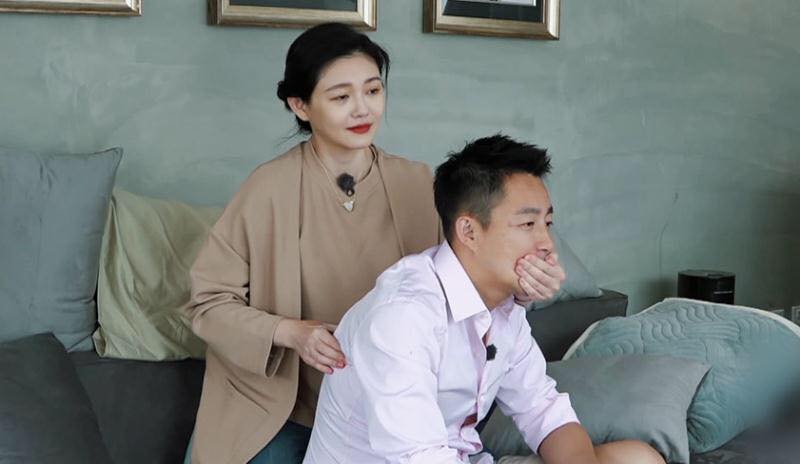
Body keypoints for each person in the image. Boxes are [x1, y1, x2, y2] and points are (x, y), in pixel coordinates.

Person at [183, 24, 562, 464]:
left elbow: (468, 280)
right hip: (279, 407)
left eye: (373, 90)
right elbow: (207, 304)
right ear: (300, 105)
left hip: (391, 406)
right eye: (341, 97)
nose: (362, 109)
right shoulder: (268, 188)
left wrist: (522, 290)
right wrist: (291, 332)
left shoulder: (416, 182)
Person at [303, 135, 666, 464]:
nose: (546, 244)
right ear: (469, 232)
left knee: (637, 458)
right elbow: (422, 457)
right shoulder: (403, 315)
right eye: (527, 225)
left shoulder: (504, 308)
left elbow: (541, 408)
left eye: (547, 224)